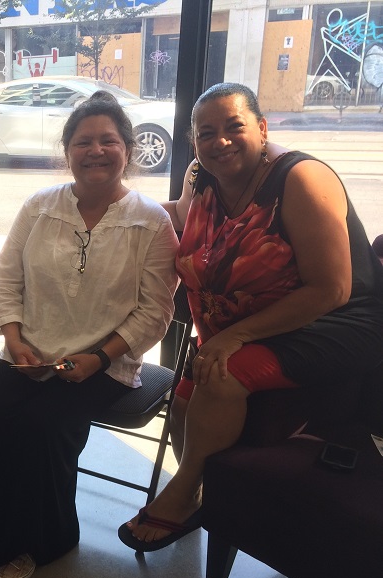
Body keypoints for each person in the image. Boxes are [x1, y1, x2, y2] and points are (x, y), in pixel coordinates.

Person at [119, 82, 383, 552]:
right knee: (182, 401)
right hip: (252, 325)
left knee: (219, 377)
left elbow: (332, 289)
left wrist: (233, 337)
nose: (219, 141)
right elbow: (181, 214)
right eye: (206, 132)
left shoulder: (300, 179)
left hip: (333, 324)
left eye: (233, 126)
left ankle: (183, 495)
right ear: (193, 141)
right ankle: (205, 490)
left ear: (261, 128)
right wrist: (115, 209)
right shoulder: (201, 175)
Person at [0, 91, 179, 578]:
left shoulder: (152, 222)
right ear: (67, 151)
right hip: (31, 352)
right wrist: (15, 342)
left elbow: (154, 312)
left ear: (128, 148)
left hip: (108, 363)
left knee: (45, 423)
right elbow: (4, 281)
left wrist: (98, 357)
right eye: (83, 142)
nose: (95, 151)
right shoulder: (40, 206)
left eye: (108, 140)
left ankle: (49, 542)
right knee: (1, 412)